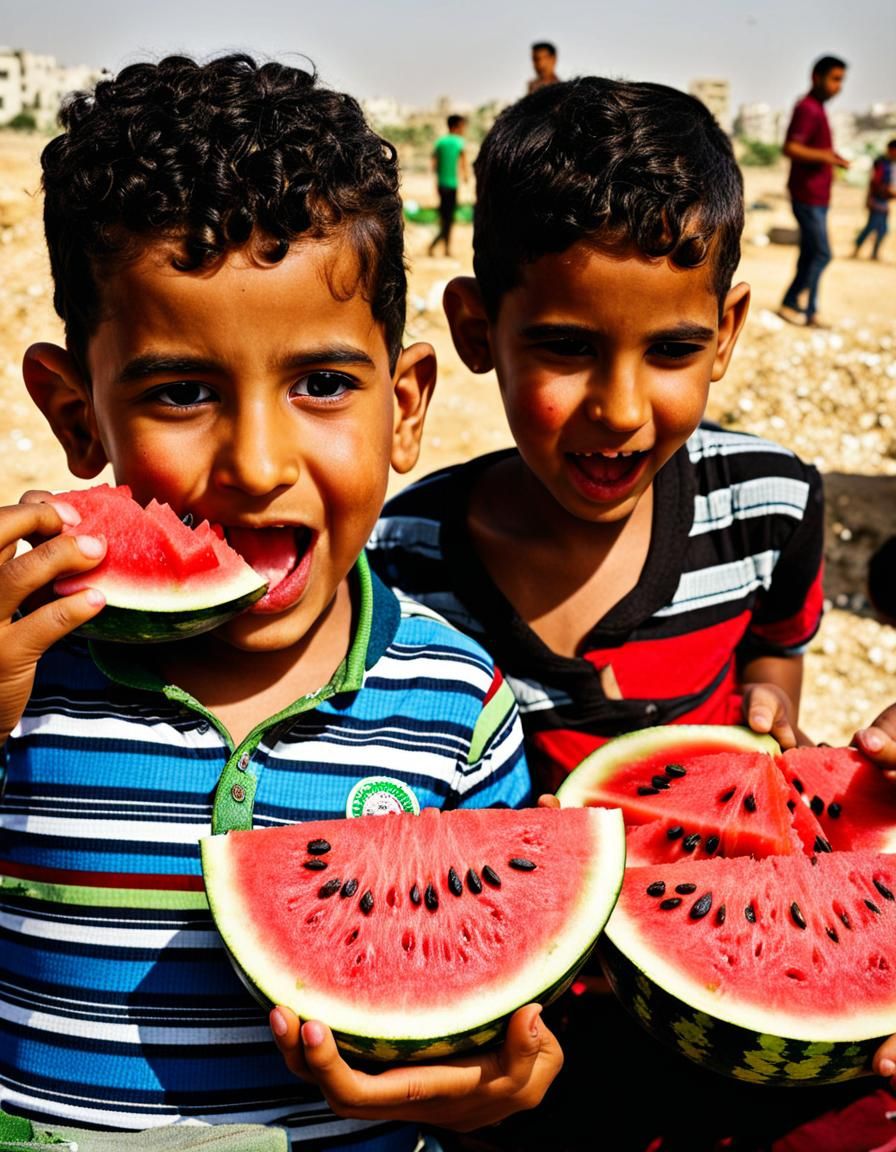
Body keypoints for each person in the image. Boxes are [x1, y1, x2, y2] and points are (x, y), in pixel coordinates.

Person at [0, 54, 562, 1151]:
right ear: (76, 417)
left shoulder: (462, 707)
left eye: (319, 384)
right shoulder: (24, 678)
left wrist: (496, 1087)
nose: (257, 464)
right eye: (179, 392)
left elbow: (487, 983)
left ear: (404, 409)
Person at [370, 76, 824, 798]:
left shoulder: (771, 507)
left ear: (725, 333)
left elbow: (777, 646)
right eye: (568, 349)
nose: (619, 411)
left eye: (672, 351)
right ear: (476, 331)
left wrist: (772, 703)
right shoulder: (398, 560)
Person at [777, 54, 849, 329]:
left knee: (810, 253)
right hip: (806, 196)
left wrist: (831, 157)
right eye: (834, 79)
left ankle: (797, 306)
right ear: (816, 77)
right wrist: (827, 157)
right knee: (822, 253)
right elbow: (791, 148)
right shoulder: (807, 108)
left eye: (841, 81)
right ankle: (803, 307)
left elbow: (813, 150)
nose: (838, 86)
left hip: (818, 196)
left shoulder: (817, 109)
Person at [428, 114, 468, 259]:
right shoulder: (459, 142)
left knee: (445, 217)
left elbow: (433, 164)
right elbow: (463, 162)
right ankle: (442, 247)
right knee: (449, 219)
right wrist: (466, 177)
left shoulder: (440, 142)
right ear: (456, 126)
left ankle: (441, 246)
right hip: (452, 185)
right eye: (463, 126)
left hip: (441, 185)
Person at [854, 138, 896, 260]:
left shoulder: (891, 164)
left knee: (882, 229)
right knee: (872, 227)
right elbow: (875, 182)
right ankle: (859, 248)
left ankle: (874, 253)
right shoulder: (881, 163)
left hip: (884, 201)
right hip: (877, 199)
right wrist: (887, 191)